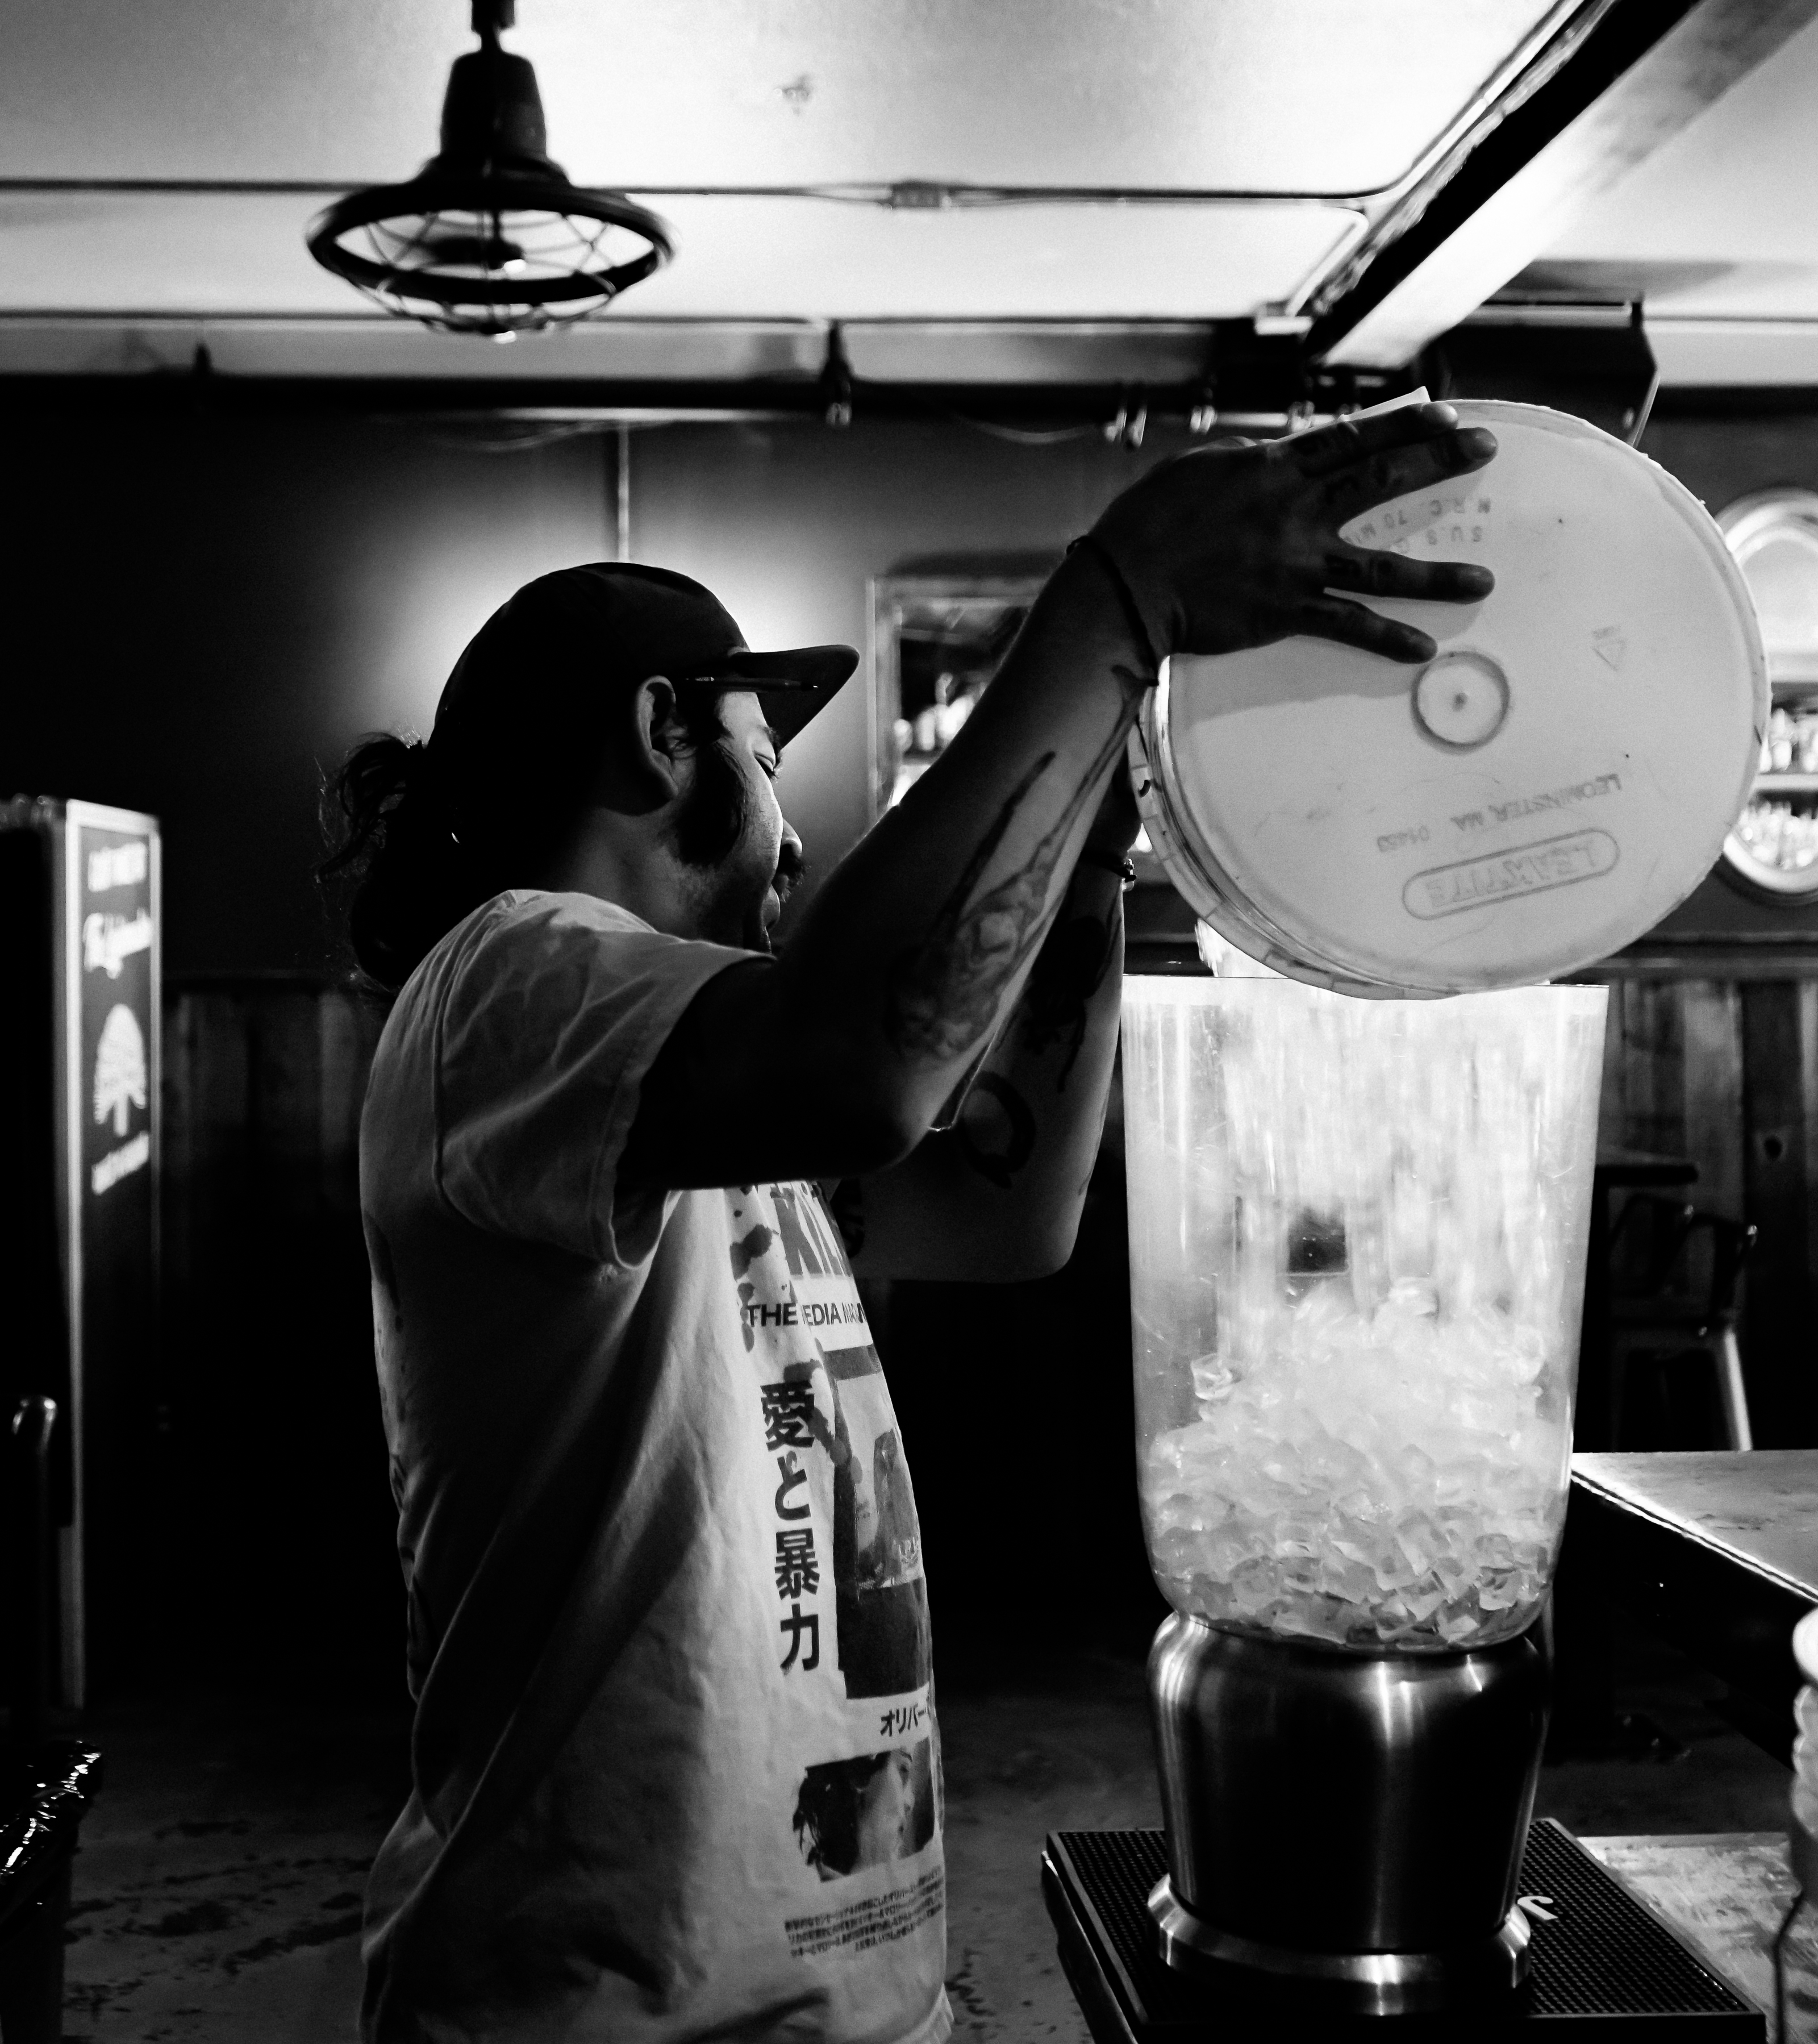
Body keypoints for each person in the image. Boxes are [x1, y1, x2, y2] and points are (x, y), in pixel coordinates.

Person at [322, 403, 1496, 2044]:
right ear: (662, 734)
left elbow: (1001, 1214)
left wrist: (1086, 870)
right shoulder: (509, 980)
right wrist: (1117, 598)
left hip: (827, 1995)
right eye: (764, 758)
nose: (792, 829)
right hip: (604, 2013)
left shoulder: (682, 1079)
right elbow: (870, 1062)